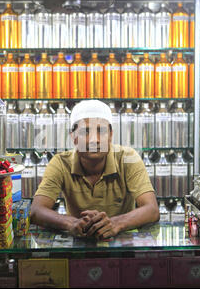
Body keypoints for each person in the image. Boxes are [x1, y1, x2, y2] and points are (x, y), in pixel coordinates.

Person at [31, 100, 159, 240]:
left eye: (101, 131)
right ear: (73, 137)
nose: (94, 140)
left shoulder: (128, 158)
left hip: (122, 246)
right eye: (85, 131)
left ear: (111, 135)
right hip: (78, 243)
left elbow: (152, 210)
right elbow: (36, 211)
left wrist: (115, 223)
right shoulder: (61, 163)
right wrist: (72, 223)